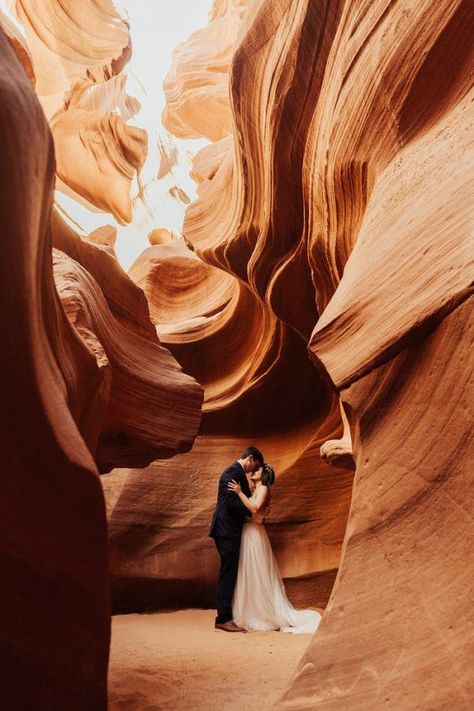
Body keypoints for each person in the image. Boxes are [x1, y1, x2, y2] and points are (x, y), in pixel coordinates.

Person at [228, 464, 321, 634]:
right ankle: (251, 611)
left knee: (256, 572)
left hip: (254, 533)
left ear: (264, 474)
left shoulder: (263, 488)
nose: (253, 471)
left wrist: (239, 492)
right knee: (249, 572)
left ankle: (262, 614)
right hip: (249, 531)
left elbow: (254, 509)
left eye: (257, 470)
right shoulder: (255, 489)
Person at [209, 446, 264, 632]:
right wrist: (250, 512)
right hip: (225, 530)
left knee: (230, 572)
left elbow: (243, 499)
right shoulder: (232, 472)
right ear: (249, 458)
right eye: (253, 465)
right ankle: (223, 618)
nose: (252, 470)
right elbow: (230, 503)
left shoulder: (237, 473)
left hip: (229, 530)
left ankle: (226, 615)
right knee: (228, 573)